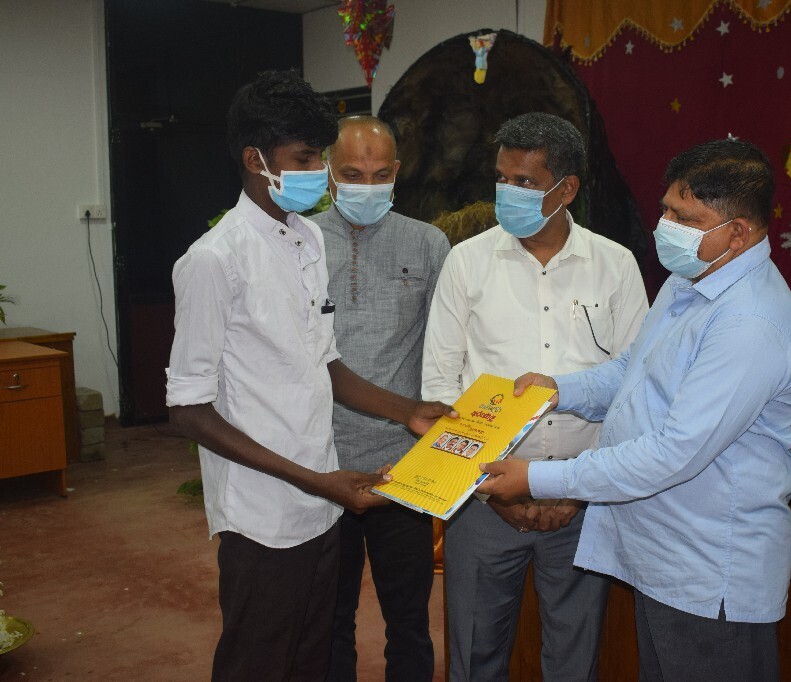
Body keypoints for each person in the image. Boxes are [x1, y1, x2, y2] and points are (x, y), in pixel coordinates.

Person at [479, 138, 791, 681]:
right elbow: (632, 371)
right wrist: (557, 389)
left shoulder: (750, 322)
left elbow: (674, 452)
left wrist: (537, 478)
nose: (666, 227)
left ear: (738, 233)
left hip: (707, 572)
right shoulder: (690, 279)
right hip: (662, 556)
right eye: (666, 210)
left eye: (686, 219)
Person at [165, 71, 453, 682]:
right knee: (260, 660)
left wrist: (406, 411)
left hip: (322, 504)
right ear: (257, 161)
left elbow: (325, 363)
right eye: (305, 159)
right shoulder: (213, 260)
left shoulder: (305, 242)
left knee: (313, 659)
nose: (318, 172)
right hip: (264, 514)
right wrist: (316, 480)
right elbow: (187, 409)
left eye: (320, 157)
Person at [421, 111, 648, 681]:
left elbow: (636, 388)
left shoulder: (616, 265)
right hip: (482, 501)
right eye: (502, 178)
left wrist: (575, 492)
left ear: (566, 189)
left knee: (575, 660)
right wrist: (490, 493)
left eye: (524, 182)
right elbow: (439, 390)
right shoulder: (466, 261)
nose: (508, 192)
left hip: (581, 502)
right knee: (474, 657)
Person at [310, 115, 450, 682]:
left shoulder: (428, 242)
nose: (365, 186)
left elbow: (445, 351)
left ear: (396, 172)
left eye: (378, 174)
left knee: (410, 621)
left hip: (403, 467)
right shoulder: (299, 242)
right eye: (351, 174)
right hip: (320, 464)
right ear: (328, 173)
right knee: (328, 620)